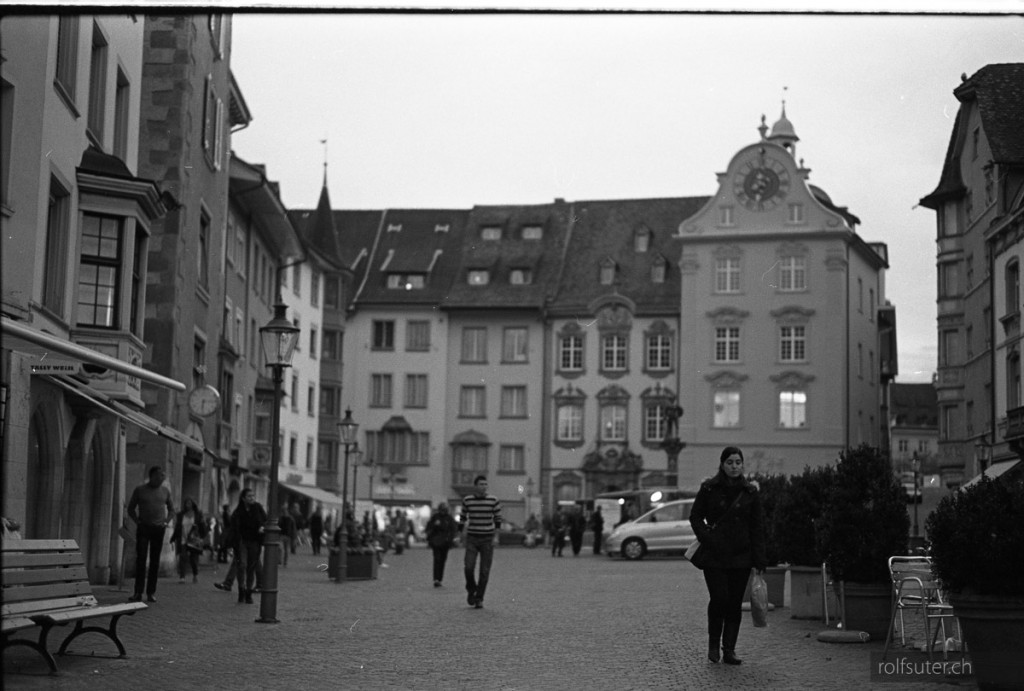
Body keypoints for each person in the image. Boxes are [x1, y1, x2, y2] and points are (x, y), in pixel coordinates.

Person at [689, 446, 766, 665]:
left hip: (741, 556)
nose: (734, 466)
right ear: (722, 464)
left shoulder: (750, 492)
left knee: (733, 603)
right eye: (730, 462)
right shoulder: (709, 489)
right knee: (719, 598)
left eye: (738, 462)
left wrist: (760, 559)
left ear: (742, 465)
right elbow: (695, 517)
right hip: (715, 555)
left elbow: (757, 527)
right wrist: (707, 538)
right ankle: (714, 644)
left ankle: (729, 649)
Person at [126, 465, 175, 603]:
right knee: (141, 559)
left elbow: (172, 510)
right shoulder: (140, 490)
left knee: (154, 561)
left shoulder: (165, 491)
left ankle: (151, 592)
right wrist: (137, 522)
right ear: (152, 476)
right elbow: (131, 509)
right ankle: (138, 592)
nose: (162, 478)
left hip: (158, 529)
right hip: (144, 528)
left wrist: (166, 522)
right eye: (160, 475)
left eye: (163, 475)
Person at [460, 475, 502, 609]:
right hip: (472, 538)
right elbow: (462, 518)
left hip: (487, 539)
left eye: (485, 484)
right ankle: (471, 588)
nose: (484, 486)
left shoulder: (493, 500)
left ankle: (479, 598)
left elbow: (498, 519)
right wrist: (460, 535)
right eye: (481, 484)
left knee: (484, 570)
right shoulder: (467, 500)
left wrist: (496, 537)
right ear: (475, 486)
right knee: (468, 567)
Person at [231, 488, 267, 604]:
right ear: (243, 498)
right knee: (242, 565)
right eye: (249, 496)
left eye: (253, 496)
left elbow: (265, 520)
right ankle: (241, 588)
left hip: (255, 541)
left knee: (251, 568)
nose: (252, 498)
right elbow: (234, 525)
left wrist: (262, 527)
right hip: (242, 541)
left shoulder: (258, 508)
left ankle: (248, 592)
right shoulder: (239, 511)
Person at [170, 497, 206, 583]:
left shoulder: (197, 514)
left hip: (193, 540)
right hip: (183, 538)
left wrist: (202, 536)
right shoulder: (181, 515)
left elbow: (202, 527)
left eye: (189, 503)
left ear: (193, 504)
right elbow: (178, 527)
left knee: (193, 558)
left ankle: (195, 574)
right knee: (183, 557)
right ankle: (182, 577)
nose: (188, 505)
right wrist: (173, 538)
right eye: (186, 503)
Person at [425, 503, 457, 587]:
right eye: (442, 509)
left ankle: (439, 578)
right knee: (437, 560)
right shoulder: (435, 517)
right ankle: (436, 578)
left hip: (445, 543)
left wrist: (450, 539)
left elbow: (453, 529)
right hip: (436, 542)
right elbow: (429, 527)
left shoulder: (449, 518)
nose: (443, 511)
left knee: (442, 560)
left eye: (444, 509)